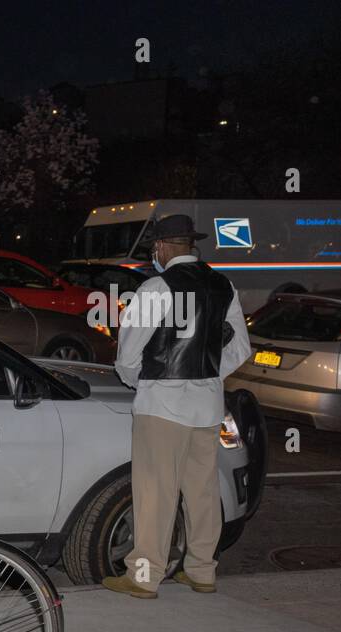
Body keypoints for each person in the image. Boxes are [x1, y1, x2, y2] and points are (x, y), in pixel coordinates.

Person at [103, 213, 251, 598]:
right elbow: (240, 348)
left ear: (162, 247)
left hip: (163, 405)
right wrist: (210, 376)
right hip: (207, 405)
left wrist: (145, 382)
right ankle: (202, 570)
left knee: (156, 491)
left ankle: (144, 575)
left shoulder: (157, 286)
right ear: (191, 244)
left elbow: (129, 353)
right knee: (201, 491)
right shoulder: (224, 285)